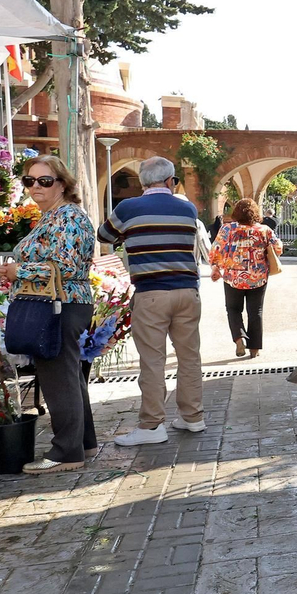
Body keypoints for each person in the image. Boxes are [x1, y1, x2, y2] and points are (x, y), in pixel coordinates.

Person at [0, 154, 98, 473]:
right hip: (60, 302)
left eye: (44, 181)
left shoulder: (67, 216)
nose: (35, 187)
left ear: (63, 184)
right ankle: (83, 443)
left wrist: (19, 271)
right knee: (67, 374)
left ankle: (66, 453)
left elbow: (64, 267)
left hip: (61, 303)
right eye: (29, 181)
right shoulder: (52, 216)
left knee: (58, 377)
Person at [97, 156, 205, 445]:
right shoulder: (187, 208)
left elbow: (104, 235)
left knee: (153, 361)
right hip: (187, 291)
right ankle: (193, 417)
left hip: (151, 294)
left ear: (143, 182)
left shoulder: (128, 208)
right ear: (171, 181)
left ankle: (151, 426)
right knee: (189, 357)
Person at [209, 197, 281, 359]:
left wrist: (215, 267)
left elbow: (216, 249)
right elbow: (278, 248)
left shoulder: (227, 229)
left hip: (233, 277)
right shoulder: (264, 230)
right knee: (256, 311)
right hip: (258, 277)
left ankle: (239, 337)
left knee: (233, 309)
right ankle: (254, 349)